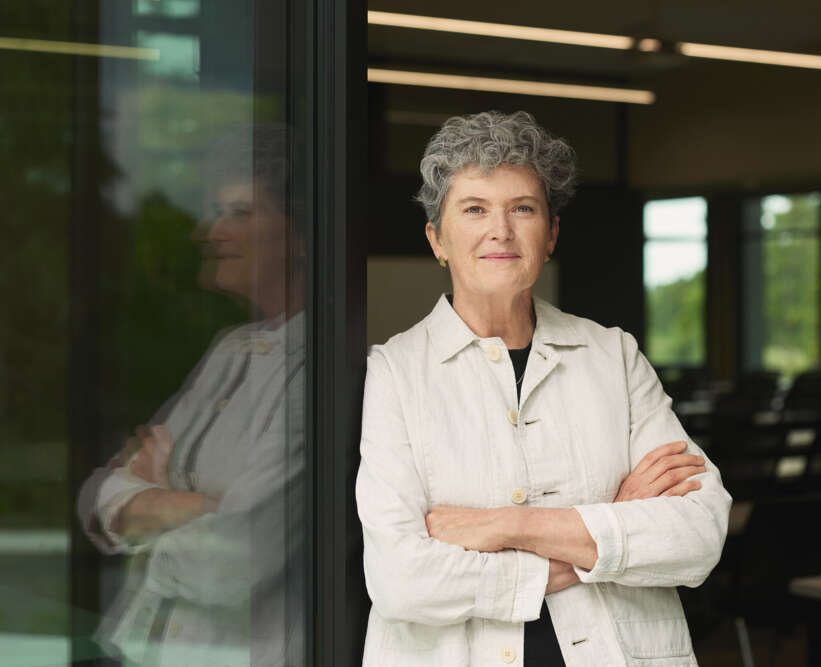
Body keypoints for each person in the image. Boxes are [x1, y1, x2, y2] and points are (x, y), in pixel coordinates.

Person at [357, 111, 731, 666]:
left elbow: (698, 533)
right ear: (437, 239)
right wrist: (605, 526)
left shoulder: (614, 356)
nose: (500, 231)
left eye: (522, 209)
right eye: (475, 209)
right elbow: (402, 580)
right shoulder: (393, 371)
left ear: (550, 234)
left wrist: (505, 527)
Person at [76, 124, 305, 666]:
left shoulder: (319, 367)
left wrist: (144, 509)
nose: (208, 230)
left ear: (301, 235)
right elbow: (96, 493)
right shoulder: (231, 349)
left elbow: (232, 565)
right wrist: (202, 508)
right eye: (215, 210)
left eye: (240, 213)